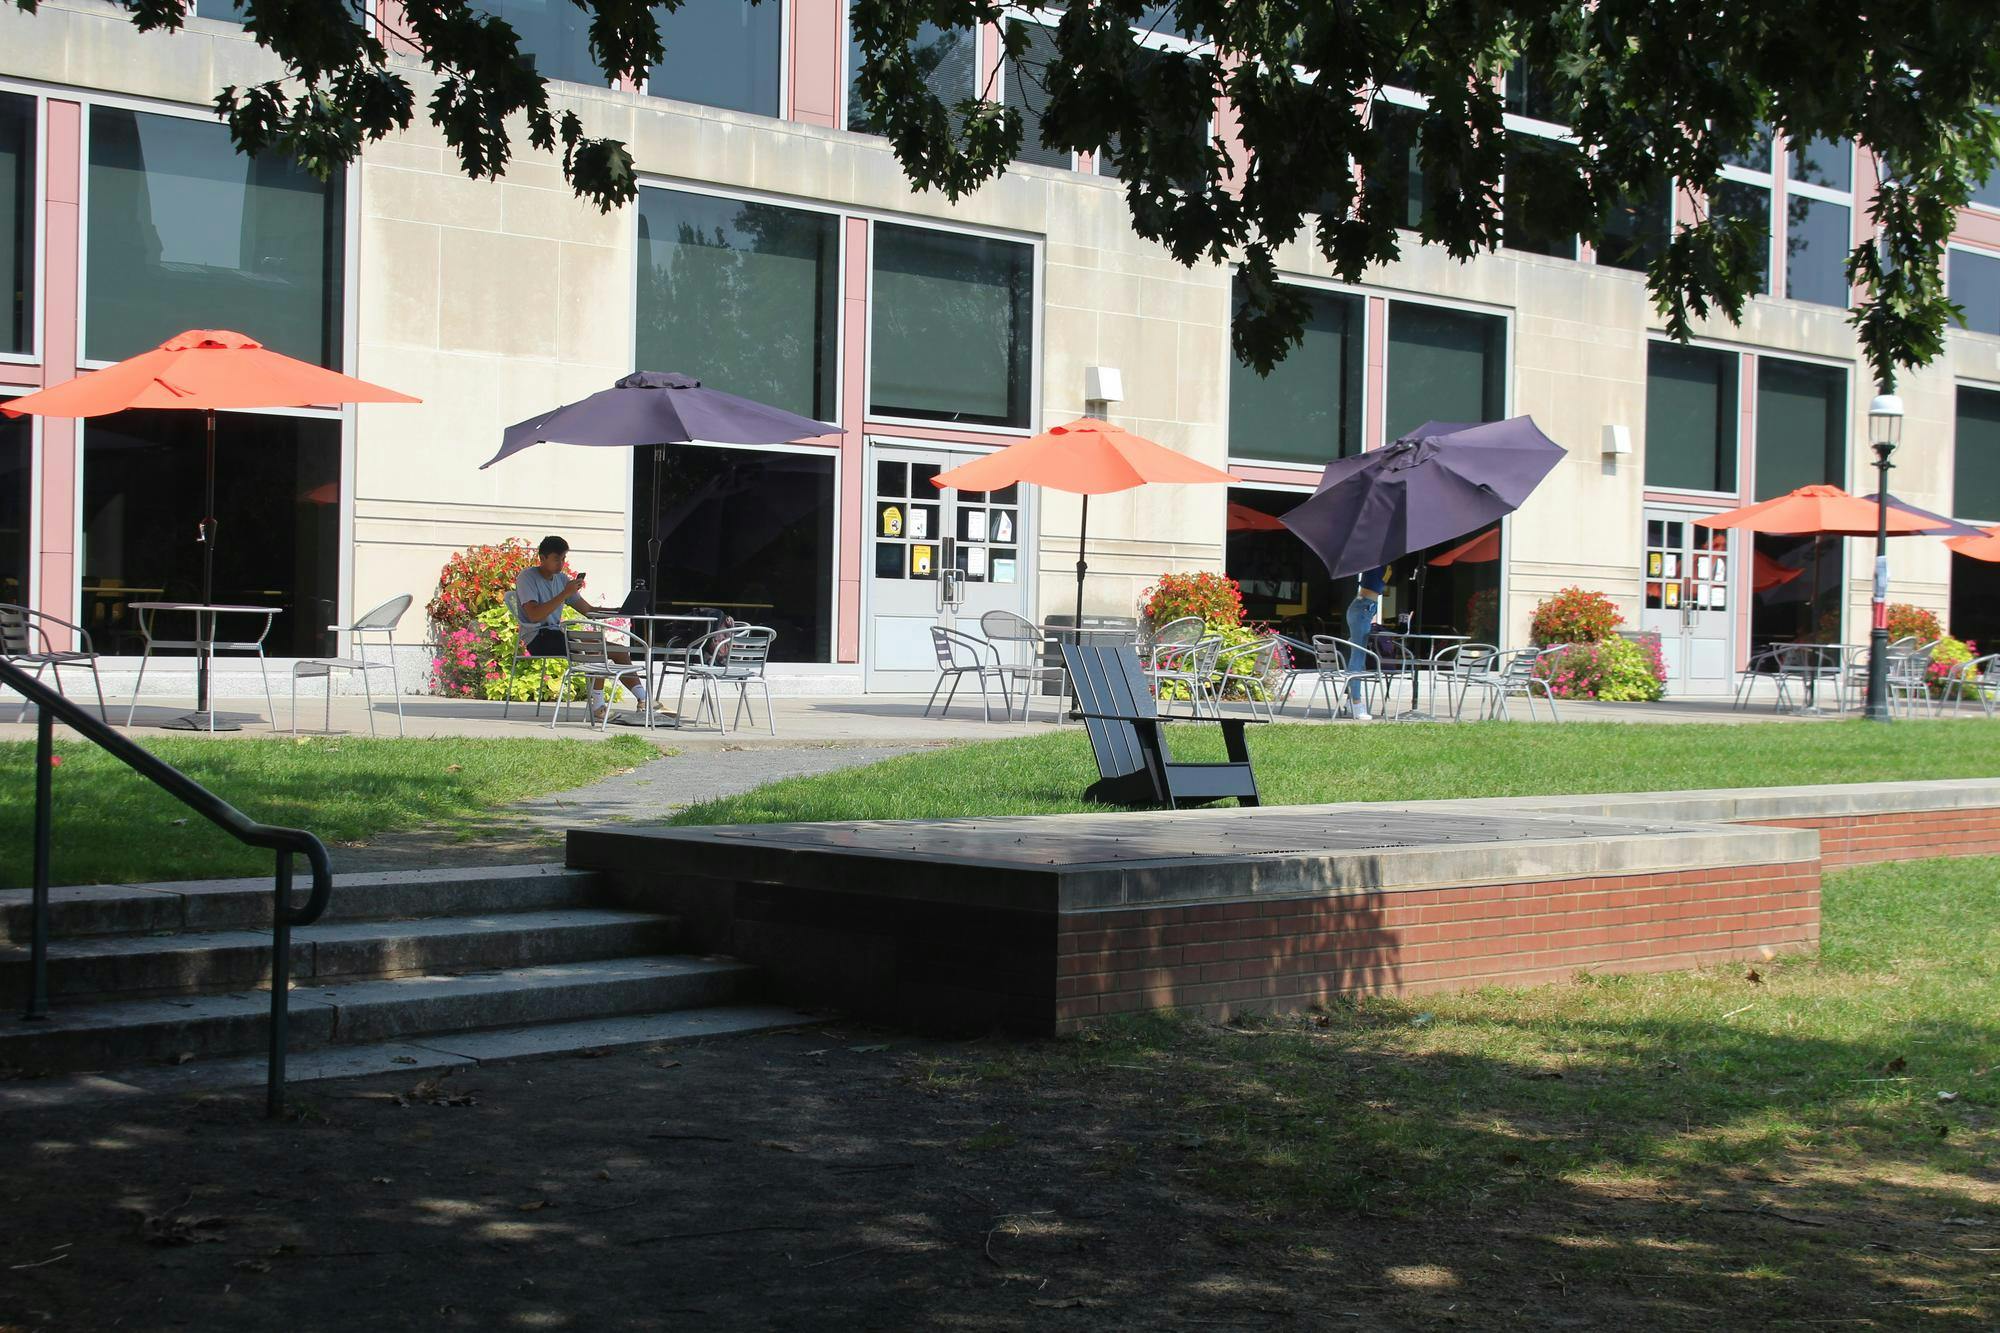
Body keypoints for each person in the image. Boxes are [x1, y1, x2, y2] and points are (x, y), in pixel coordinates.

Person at [514, 535, 646, 725]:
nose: (561, 563)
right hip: (538, 637)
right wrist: (564, 594)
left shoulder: (561, 580)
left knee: (619, 651)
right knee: (595, 645)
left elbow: (588, 611)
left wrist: (621, 611)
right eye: (556, 559)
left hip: (557, 635)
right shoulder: (527, 577)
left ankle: (644, 700)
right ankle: (598, 707)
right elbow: (535, 615)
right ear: (542, 558)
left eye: (564, 558)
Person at [1345, 566, 1387, 721]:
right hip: (1363, 608)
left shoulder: (1380, 563)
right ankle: (1356, 703)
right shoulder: (1377, 562)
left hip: (1365, 609)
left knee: (1358, 656)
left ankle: (1351, 700)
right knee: (1358, 656)